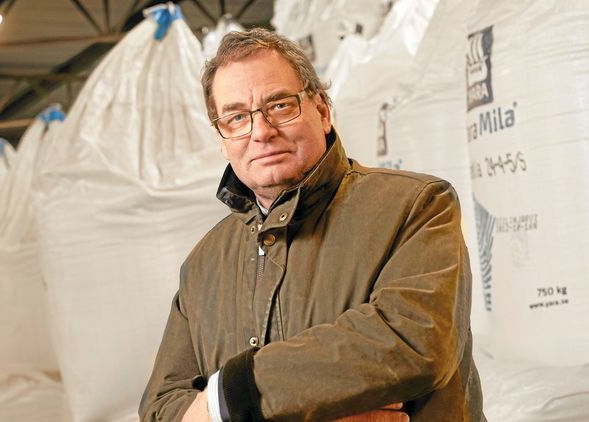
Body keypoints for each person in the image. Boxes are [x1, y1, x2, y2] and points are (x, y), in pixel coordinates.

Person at [140, 28, 484, 422]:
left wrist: (229, 395)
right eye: (236, 118)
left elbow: (414, 341)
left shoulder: (415, 206)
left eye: (279, 106)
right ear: (222, 138)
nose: (262, 132)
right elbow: (160, 407)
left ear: (321, 110)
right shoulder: (203, 264)